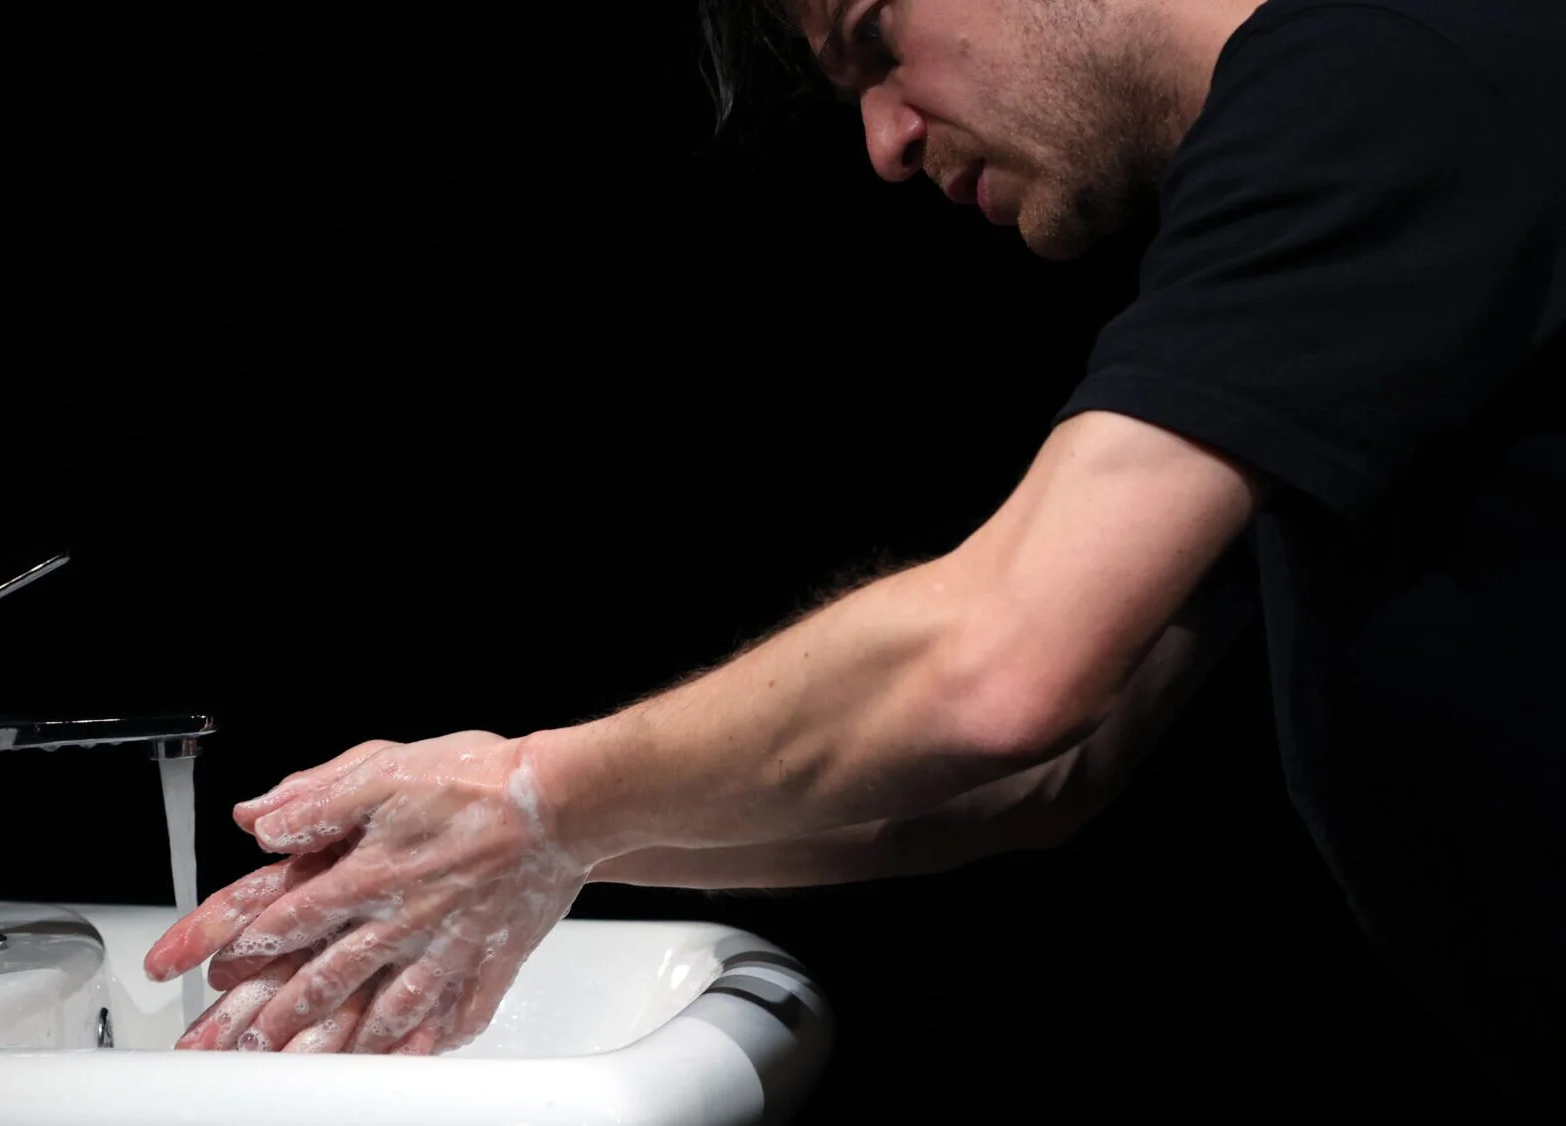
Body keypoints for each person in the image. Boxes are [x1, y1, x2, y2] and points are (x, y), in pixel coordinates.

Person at [144, 0, 1564, 1115]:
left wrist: (537, 801)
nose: (883, 140)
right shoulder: (1337, 163)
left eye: (879, 37)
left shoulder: (1381, 72)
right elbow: (1036, 774)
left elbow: (1001, 671)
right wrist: (535, 851)